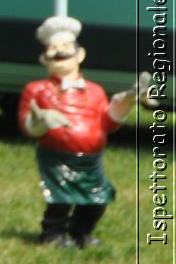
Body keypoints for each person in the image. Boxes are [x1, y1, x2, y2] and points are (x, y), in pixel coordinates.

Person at [17, 15, 141, 248]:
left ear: (80, 54)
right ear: (44, 58)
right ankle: (52, 235)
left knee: (97, 199)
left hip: (91, 158)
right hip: (56, 155)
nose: (59, 52)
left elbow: (108, 122)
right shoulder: (36, 89)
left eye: (65, 48)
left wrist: (126, 102)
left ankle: (81, 233)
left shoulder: (95, 90)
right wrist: (40, 120)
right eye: (52, 49)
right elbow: (27, 125)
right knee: (60, 198)